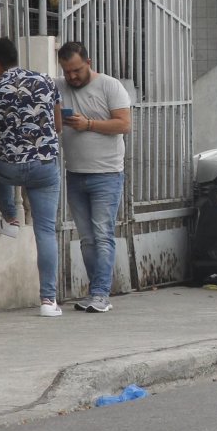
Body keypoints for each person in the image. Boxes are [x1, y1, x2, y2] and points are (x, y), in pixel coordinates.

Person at [0, 37, 64, 317]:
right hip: (45, 167)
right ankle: (48, 301)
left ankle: (10, 217)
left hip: (12, 168)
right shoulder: (45, 80)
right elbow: (58, 125)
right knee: (46, 232)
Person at [56, 41, 132, 314]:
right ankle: (95, 292)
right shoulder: (59, 87)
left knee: (102, 234)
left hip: (107, 174)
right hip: (75, 173)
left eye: (76, 70)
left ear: (88, 62)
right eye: (67, 72)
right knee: (87, 238)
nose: (72, 77)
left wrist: (87, 124)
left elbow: (124, 124)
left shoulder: (110, 86)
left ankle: (100, 294)